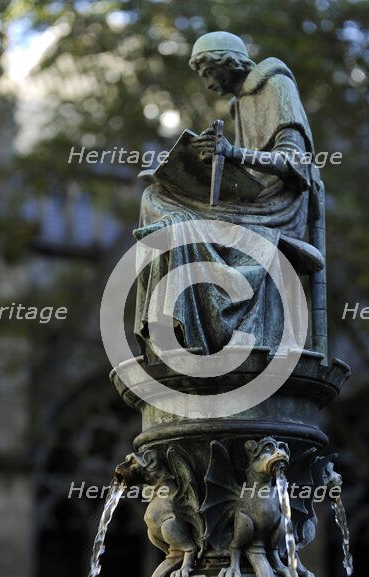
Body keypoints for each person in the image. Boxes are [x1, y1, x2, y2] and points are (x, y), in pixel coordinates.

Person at [134, 31, 323, 360]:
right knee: (155, 197)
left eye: (208, 72)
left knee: (183, 225)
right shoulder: (238, 104)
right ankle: (179, 325)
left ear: (228, 62)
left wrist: (232, 153)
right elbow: (245, 170)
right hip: (253, 199)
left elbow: (295, 164)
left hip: (278, 208)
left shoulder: (277, 85)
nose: (207, 84)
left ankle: (209, 323)